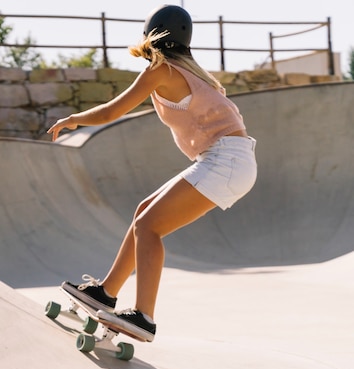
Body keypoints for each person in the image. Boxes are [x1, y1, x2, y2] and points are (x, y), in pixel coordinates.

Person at [47, 4, 257, 342]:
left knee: (149, 227)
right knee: (144, 212)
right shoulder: (197, 75)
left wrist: (73, 119)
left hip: (225, 161)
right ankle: (106, 292)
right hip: (230, 160)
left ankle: (144, 316)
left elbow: (113, 110)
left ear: (152, 35)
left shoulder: (160, 69)